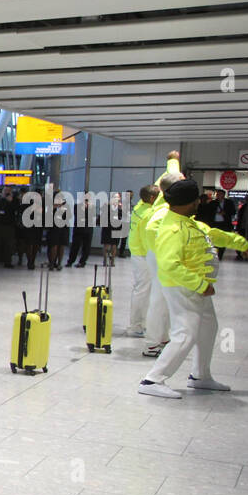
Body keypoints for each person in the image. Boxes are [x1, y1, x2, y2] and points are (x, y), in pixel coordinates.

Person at [138, 178, 248, 399]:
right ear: (189, 202)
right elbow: (170, 265)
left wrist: (241, 244)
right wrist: (200, 284)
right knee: (186, 332)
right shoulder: (172, 229)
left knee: (208, 328)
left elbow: (213, 234)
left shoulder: (189, 223)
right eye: (196, 200)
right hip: (184, 287)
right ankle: (152, 379)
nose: (199, 203)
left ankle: (200, 376)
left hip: (196, 288)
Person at [142, 152, 183, 358]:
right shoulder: (165, 207)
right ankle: (151, 343)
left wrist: (172, 159)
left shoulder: (163, 196)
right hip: (160, 255)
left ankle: (162, 337)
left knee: (165, 299)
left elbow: (171, 175)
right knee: (159, 299)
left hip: (160, 254)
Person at [126, 184, 159, 338]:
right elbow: (149, 239)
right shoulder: (148, 214)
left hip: (137, 252)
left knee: (141, 289)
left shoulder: (139, 207)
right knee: (142, 290)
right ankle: (136, 325)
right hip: (144, 255)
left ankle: (140, 323)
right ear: (152, 198)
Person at [101, 193, 126, 267]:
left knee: (114, 245)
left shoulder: (121, 207)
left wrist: (121, 209)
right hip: (107, 227)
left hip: (117, 227)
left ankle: (112, 261)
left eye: (118, 197)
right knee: (106, 244)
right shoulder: (107, 206)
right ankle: (105, 260)